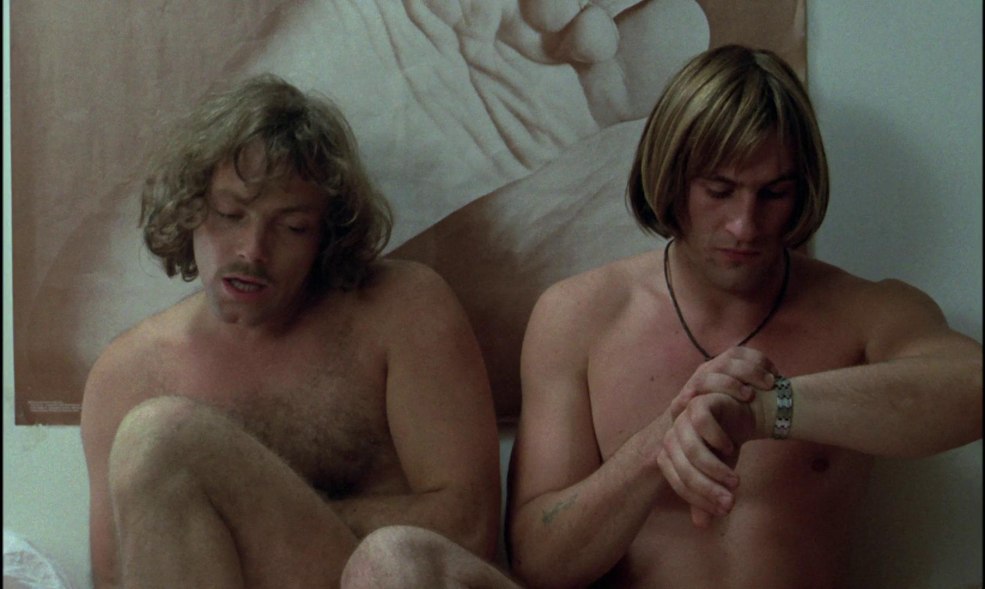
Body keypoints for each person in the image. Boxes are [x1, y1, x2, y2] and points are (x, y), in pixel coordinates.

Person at [339, 44, 982, 589]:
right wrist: (660, 445)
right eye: (720, 190)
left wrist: (768, 410)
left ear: (802, 191)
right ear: (672, 180)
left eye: (773, 193)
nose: (745, 224)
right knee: (390, 561)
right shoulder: (579, 315)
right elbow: (540, 561)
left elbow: (972, 388)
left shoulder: (865, 312)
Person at [79, 74, 502, 588]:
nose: (252, 249)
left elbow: (471, 527)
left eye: (293, 226)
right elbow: (117, 579)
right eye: (230, 214)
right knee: (156, 435)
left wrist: (246, 520)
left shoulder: (402, 311)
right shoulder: (126, 375)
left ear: (326, 236)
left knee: (390, 559)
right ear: (188, 210)